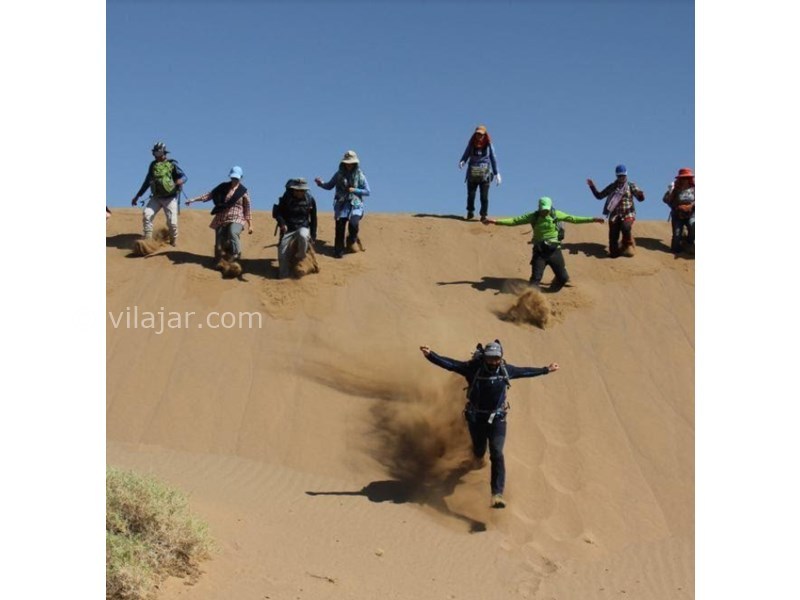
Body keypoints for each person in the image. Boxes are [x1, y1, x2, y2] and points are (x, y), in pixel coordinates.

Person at [419, 341, 559, 508]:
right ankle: (476, 460)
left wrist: (546, 369)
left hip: (497, 420)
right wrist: (431, 355)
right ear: (484, 357)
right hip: (476, 419)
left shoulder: (506, 370)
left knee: (497, 453)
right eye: (490, 358)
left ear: (501, 357)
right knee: (479, 451)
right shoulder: (473, 369)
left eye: (496, 358)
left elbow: (525, 371)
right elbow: (451, 364)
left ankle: (497, 494)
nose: (493, 362)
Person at [483, 196, 604, 289]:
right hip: (539, 252)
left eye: (546, 209)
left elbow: (574, 219)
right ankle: (529, 302)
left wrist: (593, 219)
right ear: (539, 207)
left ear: (550, 207)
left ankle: (557, 281)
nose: (544, 212)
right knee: (535, 281)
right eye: (543, 209)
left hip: (554, 251)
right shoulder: (533, 216)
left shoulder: (556, 214)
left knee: (563, 279)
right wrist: (495, 222)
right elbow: (514, 221)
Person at [185, 166, 252, 265]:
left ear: (241, 178)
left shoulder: (243, 192)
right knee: (219, 245)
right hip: (221, 218)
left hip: (237, 218)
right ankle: (220, 262)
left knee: (233, 232)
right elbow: (210, 195)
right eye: (233, 178)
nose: (234, 180)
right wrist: (193, 200)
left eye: (236, 178)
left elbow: (247, 208)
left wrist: (250, 224)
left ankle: (237, 255)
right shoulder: (222, 187)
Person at [314, 150, 371, 258]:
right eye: (347, 163)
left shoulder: (361, 175)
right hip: (341, 205)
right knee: (340, 227)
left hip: (356, 204)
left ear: (355, 164)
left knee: (353, 224)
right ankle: (338, 250)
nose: (349, 165)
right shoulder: (338, 174)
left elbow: (368, 191)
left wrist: (355, 190)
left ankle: (352, 240)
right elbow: (329, 185)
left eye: (351, 163)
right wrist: (321, 184)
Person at [130, 142, 187, 246]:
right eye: (154, 152)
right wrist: (137, 196)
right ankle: (148, 241)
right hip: (156, 197)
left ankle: (173, 242)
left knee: (172, 223)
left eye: (158, 152)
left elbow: (184, 176)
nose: (156, 155)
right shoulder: (153, 165)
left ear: (163, 152)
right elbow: (147, 182)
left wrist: (180, 181)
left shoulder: (172, 164)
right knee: (147, 214)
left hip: (170, 198)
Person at [586, 164, 645, 257]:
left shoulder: (631, 185)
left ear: (626, 175)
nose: (621, 178)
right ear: (616, 176)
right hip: (615, 215)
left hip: (628, 214)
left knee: (626, 227)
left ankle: (628, 244)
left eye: (623, 176)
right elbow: (599, 196)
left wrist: (641, 195)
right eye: (619, 176)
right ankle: (616, 251)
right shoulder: (613, 186)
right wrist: (592, 186)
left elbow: (640, 199)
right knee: (613, 242)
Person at [273, 178, 319, 279]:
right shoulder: (286, 198)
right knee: (282, 253)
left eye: (302, 190)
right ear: (293, 189)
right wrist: (282, 224)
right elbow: (278, 213)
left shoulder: (310, 200)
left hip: (303, 227)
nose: (299, 192)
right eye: (297, 190)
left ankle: (301, 257)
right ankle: (284, 275)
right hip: (288, 229)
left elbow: (314, 219)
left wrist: (313, 236)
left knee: (303, 235)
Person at [458, 125, 501, 221]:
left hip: (485, 174)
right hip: (472, 173)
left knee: (484, 196)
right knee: (471, 195)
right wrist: (462, 161)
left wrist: (496, 173)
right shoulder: (471, 144)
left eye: (481, 134)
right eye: (477, 134)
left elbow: (493, 158)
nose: (479, 136)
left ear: (485, 135)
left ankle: (483, 214)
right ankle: (470, 211)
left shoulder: (489, 146)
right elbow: (466, 154)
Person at [662, 167, 695, 254]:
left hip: (691, 214)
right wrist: (671, 194)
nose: (685, 180)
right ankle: (679, 245)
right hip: (678, 215)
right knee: (676, 239)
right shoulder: (675, 189)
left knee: (693, 225)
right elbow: (666, 200)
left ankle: (689, 242)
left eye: (687, 178)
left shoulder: (694, 188)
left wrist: (691, 206)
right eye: (683, 178)